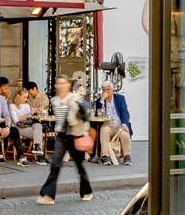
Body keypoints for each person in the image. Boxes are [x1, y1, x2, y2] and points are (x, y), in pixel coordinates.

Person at [38, 75, 93, 204]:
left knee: (79, 166)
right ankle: (48, 195)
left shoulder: (74, 98)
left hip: (75, 135)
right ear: (56, 85)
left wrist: (73, 105)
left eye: (64, 83)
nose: (61, 86)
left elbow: (85, 115)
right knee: (55, 165)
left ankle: (86, 191)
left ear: (68, 84)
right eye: (59, 83)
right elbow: (60, 119)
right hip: (61, 136)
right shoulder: (55, 100)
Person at [94, 81, 133, 166]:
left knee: (125, 132)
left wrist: (124, 124)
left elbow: (124, 112)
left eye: (108, 89)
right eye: (104, 90)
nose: (106, 92)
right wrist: (102, 101)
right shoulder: (100, 101)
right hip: (108, 126)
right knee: (103, 129)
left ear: (112, 90)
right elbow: (98, 115)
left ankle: (127, 156)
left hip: (119, 126)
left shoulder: (120, 98)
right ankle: (106, 156)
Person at [10, 86, 44, 166]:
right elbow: (16, 120)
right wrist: (29, 114)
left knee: (38, 126)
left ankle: (37, 147)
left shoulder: (27, 106)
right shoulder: (12, 106)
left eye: (27, 97)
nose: (26, 99)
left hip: (28, 125)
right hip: (18, 127)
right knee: (39, 133)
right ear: (18, 96)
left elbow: (29, 119)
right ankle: (39, 156)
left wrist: (35, 114)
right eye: (24, 97)